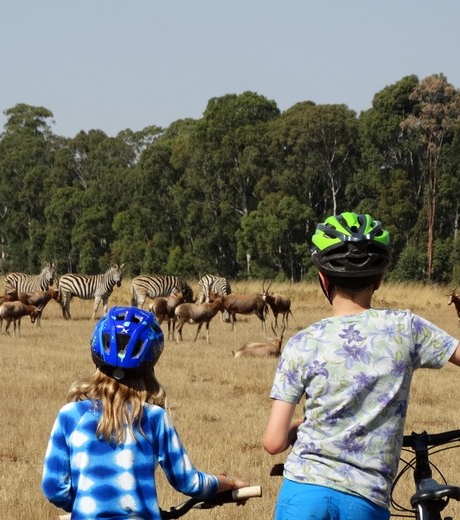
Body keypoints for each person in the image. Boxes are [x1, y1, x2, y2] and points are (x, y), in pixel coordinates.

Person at [263, 211, 460, 520]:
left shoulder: (302, 342)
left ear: (323, 279)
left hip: (303, 492)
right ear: (379, 278)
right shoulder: (406, 328)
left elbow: (273, 442)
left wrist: (296, 428)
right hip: (365, 499)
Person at [42, 306, 249, 519]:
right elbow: (188, 482)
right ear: (151, 363)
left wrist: (84, 505)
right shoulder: (154, 418)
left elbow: (53, 487)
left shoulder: (70, 416)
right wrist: (228, 483)